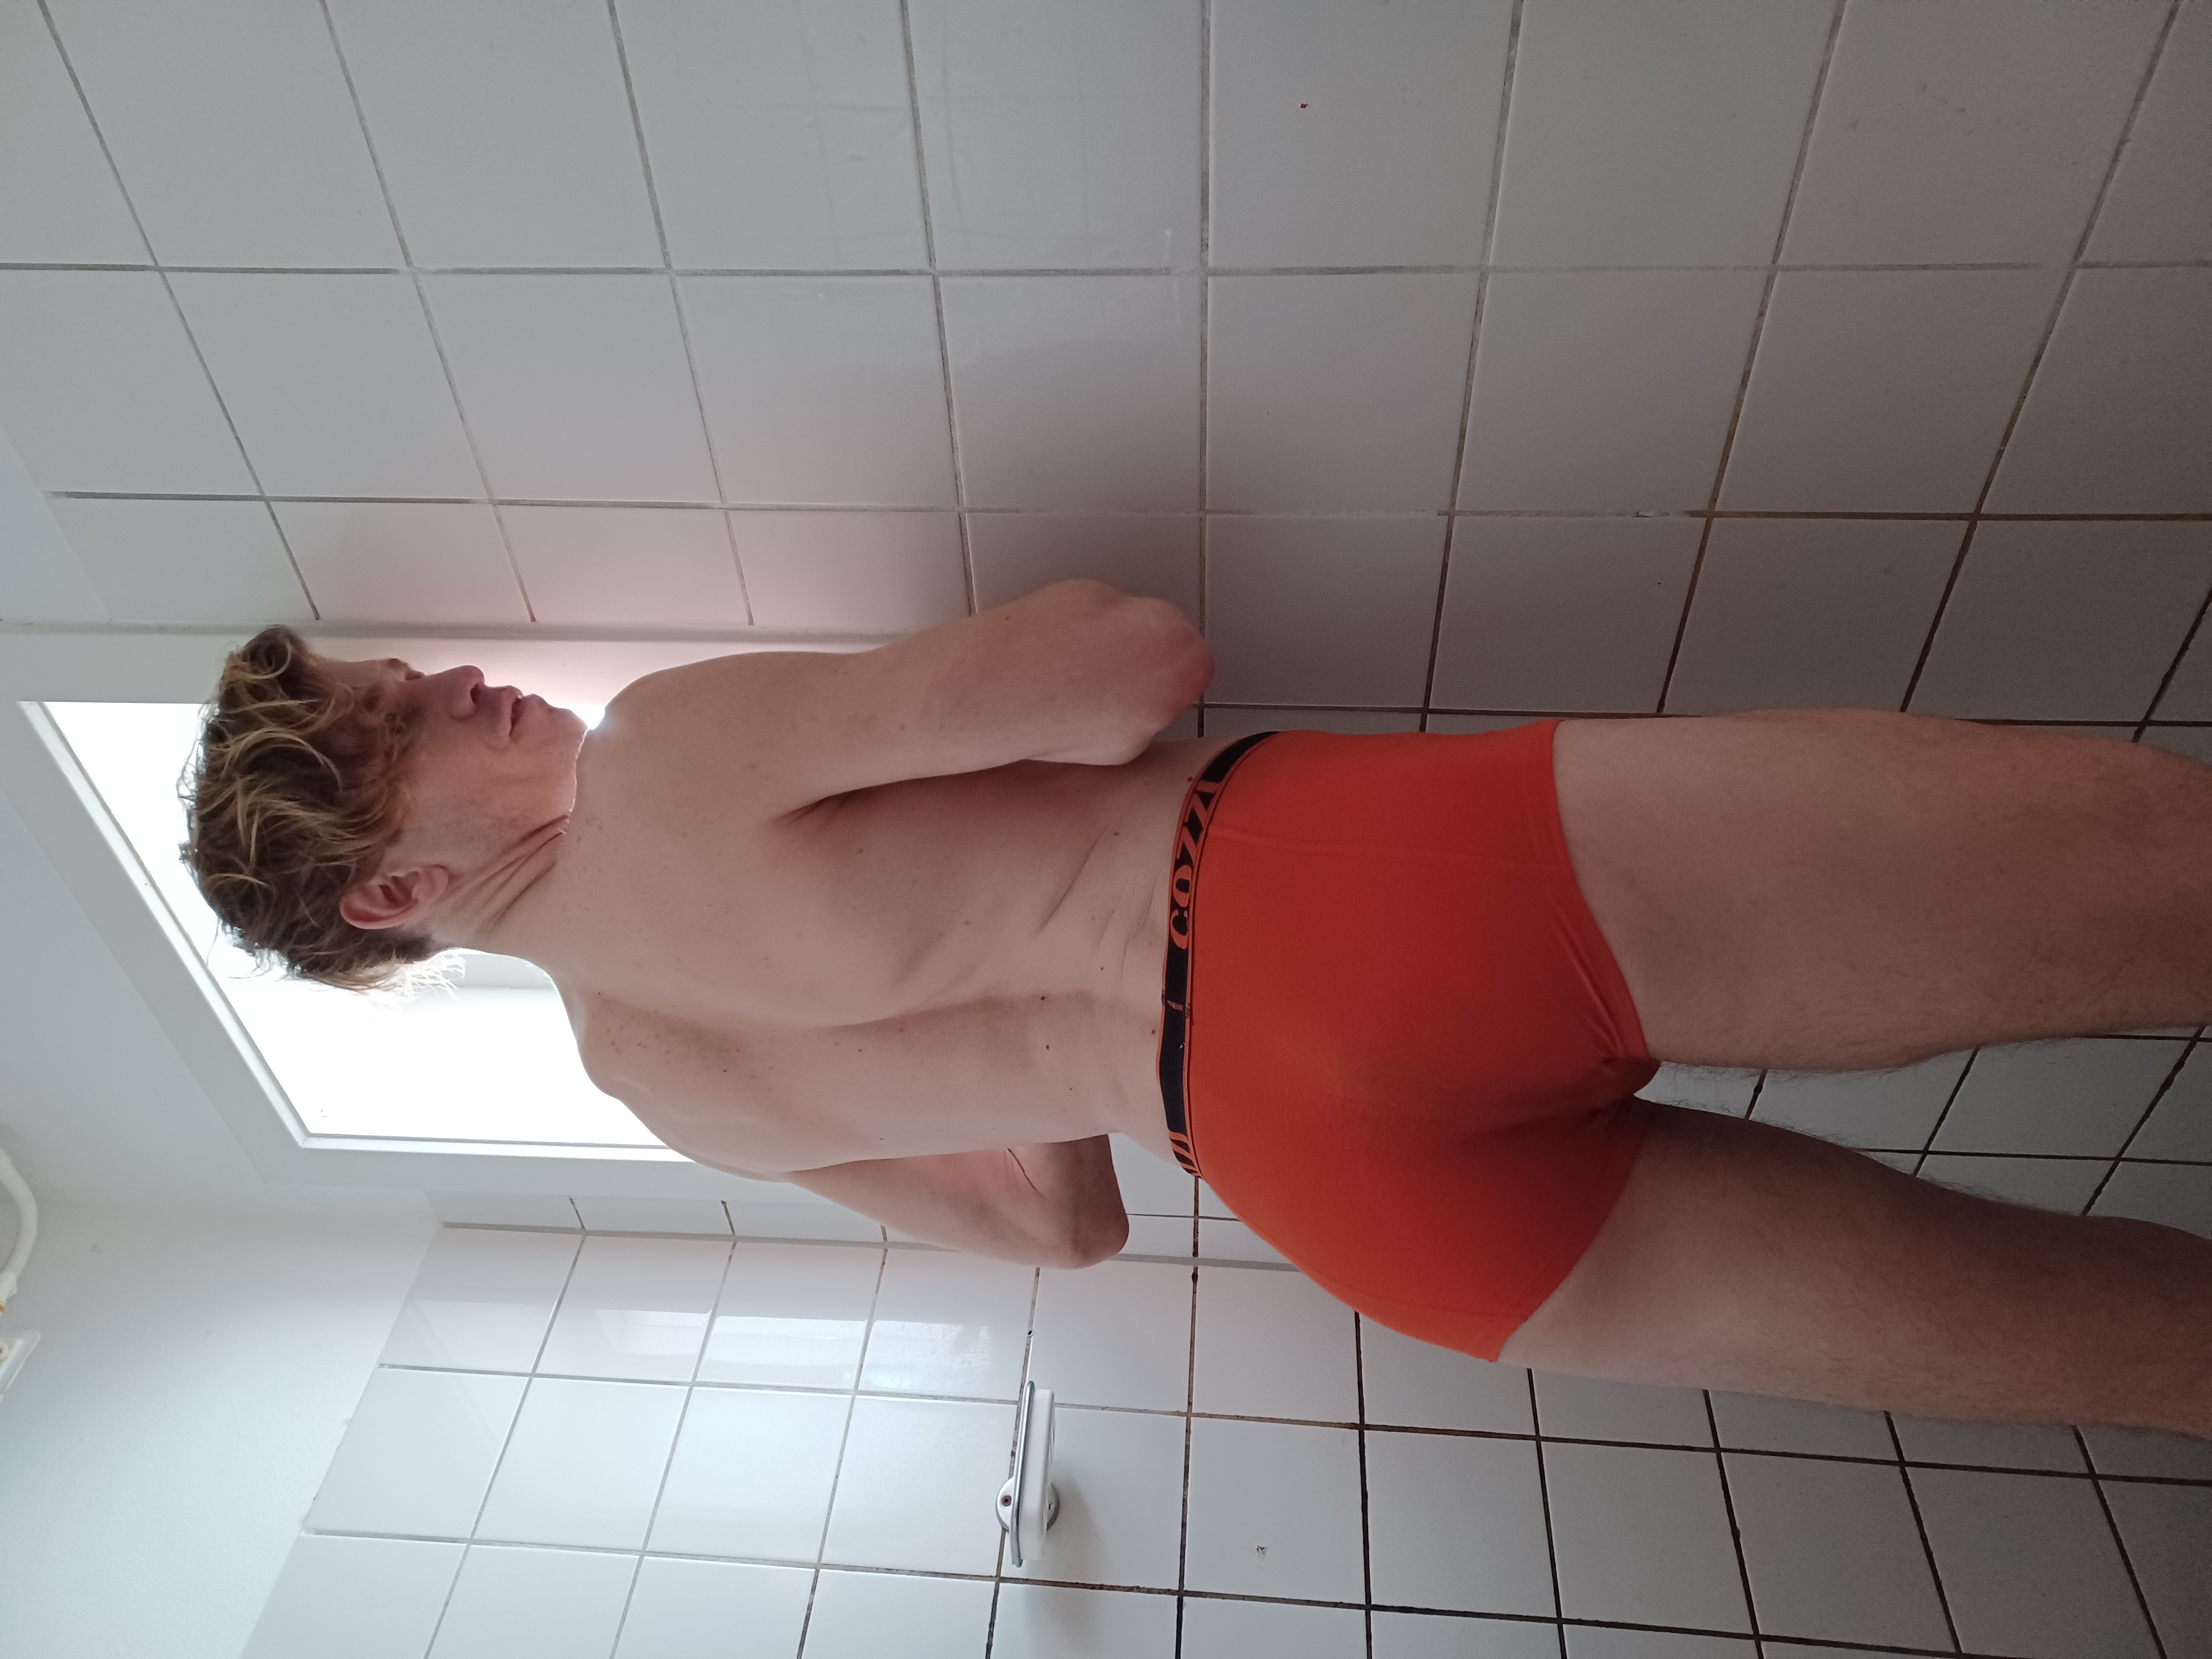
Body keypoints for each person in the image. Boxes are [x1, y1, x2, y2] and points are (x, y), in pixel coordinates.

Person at [185, 578, 2211, 1438]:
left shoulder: (658, 1086)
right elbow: (1128, 668)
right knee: (2163, 886)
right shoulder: (662, 755)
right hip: (1345, 897)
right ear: (395, 895)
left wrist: (975, 998)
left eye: (401, 673)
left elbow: (1064, 1225)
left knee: (2122, 1350)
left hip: (1322, 1184)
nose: (449, 679)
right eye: (396, 722)